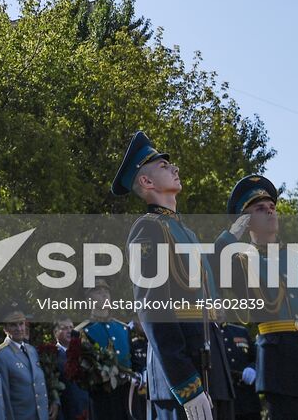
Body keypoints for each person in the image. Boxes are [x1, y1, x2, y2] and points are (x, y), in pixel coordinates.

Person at [111, 131, 234, 420]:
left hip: (210, 361)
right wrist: (185, 382)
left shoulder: (186, 232)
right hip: (182, 373)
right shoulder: (148, 229)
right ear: (146, 181)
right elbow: (152, 308)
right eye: (164, 166)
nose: (175, 168)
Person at [214, 175, 298, 420]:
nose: (270, 212)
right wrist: (231, 235)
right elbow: (210, 269)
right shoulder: (240, 262)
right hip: (279, 368)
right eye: (260, 209)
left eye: (272, 207)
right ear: (246, 220)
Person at [82, 285, 133, 420]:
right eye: (99, 292)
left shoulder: (123, 328)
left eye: (107, 292)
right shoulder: (83, 331)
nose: (104, 295)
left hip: (128, 396)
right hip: (102, 400)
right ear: (89, 299)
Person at [0, 314, 48, 420]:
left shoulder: (31, 350)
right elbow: (3, 397)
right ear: (5, 328)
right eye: (13, 325)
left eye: (21, 324)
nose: (19, 328)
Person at [218, 322, 261, 420]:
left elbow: (257, 358)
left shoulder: (240, 331)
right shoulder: (206, 334)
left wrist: (253, 368)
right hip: (224, 402)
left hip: (248, 401)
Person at [52, 320, 93, 420]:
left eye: (71, 327)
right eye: (64, 328)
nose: (69, 331)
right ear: (55, 333)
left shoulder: (83, 353)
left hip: (88, 410)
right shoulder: (52, 356)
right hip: (67, 412)